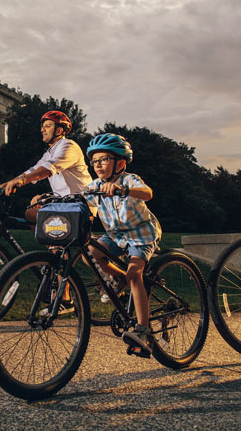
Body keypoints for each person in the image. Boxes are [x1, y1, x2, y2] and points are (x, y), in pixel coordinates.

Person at [83, 133, 162, 355]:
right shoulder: (96, 185)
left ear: (120, 162)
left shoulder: (129, 179)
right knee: (89, 252)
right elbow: (80, 198)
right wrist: (48, 197)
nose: (98, 164)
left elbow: (148, 193)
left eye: (104, 159)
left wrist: (123, 190)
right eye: (95, 160)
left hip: (141, 233)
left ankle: (144, 330)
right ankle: (118, 277)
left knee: (135, 273)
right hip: (116, 235)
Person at [0, 110, 92, 222]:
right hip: (64, 203)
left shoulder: (69, 146)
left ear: (59, 130)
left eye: (47, 126)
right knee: (31, 214)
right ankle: (48, 240)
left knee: (38, 216)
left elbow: (47, 169)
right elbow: (31, 172)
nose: (42, 130)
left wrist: (21, 180)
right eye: (43, 126)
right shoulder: (49, 153)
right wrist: (2, 186)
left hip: (80, 204)